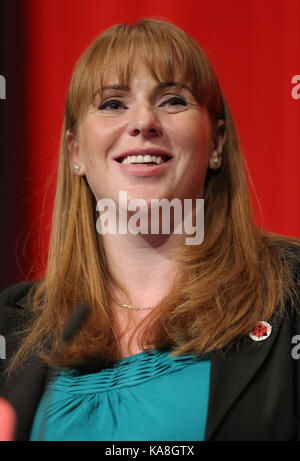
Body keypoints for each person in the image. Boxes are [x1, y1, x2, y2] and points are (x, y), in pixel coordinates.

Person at [0, 18, 300, 442]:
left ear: (216, 144)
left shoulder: (292, 293)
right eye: (112, 104)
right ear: (75, 152)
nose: (143, 122)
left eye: (173, 100)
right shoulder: (12, 327)